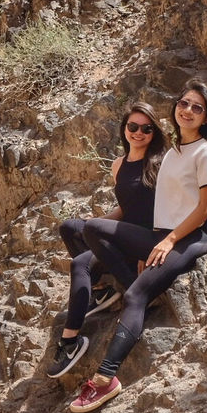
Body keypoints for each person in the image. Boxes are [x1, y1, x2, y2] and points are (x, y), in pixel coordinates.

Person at [69, 78, 207, 413]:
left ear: (206, 118)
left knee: (135, 294)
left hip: (196, 236)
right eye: (184, 103)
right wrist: (152, 245)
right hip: (166, 234)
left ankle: (105, 381)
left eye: (197, 107)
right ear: (175, 108)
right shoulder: (173, 152)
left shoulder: (206, 151)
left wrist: (168, 241)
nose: (188, 110)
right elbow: (164, 207)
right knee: (94, 230)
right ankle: (130, 282)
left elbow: (205, 208)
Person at [47, 102, 167, 378]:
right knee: (70, 226)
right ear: (124, 128)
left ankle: (70, 341)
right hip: (124, 233)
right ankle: (101, 290)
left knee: (80, 264)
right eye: (133, 126)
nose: (138, 133)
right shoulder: (118, 165)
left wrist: (142, 252)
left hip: (146, 238)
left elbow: (165, 208)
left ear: (154, 132)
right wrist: (96, 223)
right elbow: (127, 207)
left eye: (146, 128)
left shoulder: (159, 163)